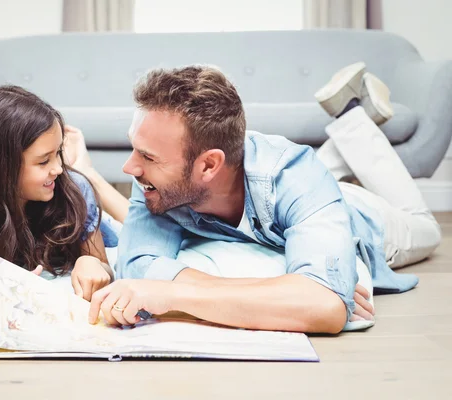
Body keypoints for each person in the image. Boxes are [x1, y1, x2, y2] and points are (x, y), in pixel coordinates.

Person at [79, 63, 441, 334]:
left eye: (148, 157)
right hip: (300, 203)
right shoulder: (156, 185)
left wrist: (173, 296)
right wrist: (288, 289)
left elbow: (325, 309)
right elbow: (139, 265)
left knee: (425, 227)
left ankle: (353, 118)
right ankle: (349, 133)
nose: (130, 167)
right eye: (136, 150)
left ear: (208, 165)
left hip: (363, 218)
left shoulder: (292, 173)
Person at [0, 85, 122, 307]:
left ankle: (86, 168)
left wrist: (90, 261)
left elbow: (104, 265)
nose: (58, 168)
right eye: (43, 161)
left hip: (107, 231)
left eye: (58, 154)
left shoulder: (73, 190)